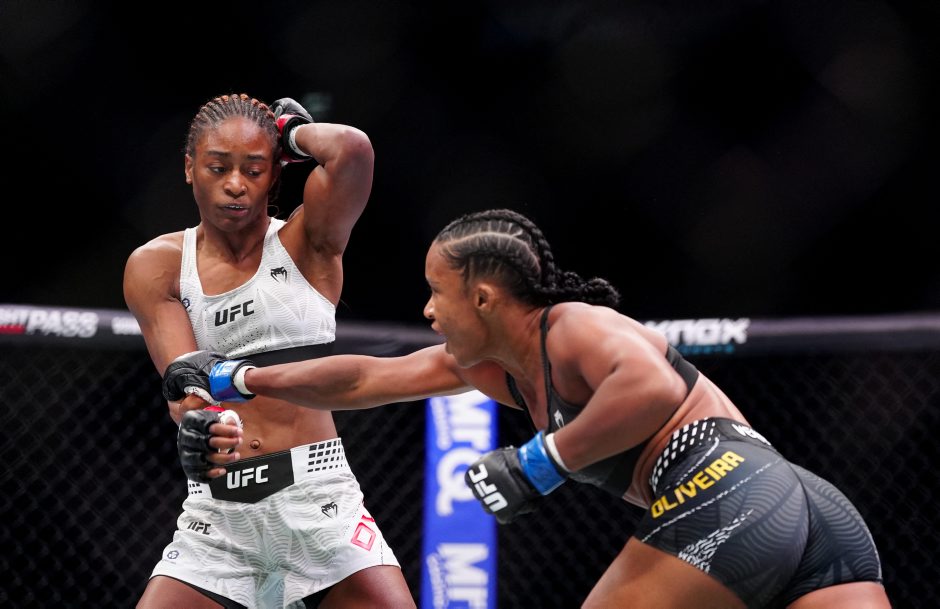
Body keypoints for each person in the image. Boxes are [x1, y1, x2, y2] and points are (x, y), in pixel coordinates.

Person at [162, 208, 892, 608]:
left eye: (437, 291)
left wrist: (541, 461)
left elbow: (650, 388)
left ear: (482, 296)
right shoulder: (494, 370)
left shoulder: (572, 327)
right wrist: (239, 378)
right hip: (803, 510)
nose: (427, 309)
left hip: (727, 489)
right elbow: (365, 380)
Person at [123, 93, 415, 609]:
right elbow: (184, 384)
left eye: (254, 169)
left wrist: (291, 134)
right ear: (189, 169)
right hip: (220, 513)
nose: (236, 184)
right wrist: (199, 424)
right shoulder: (158, 266)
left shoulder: (308, 243)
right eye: (218, 168)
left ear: (276, 172)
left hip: (317, 496)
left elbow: (352, 149)